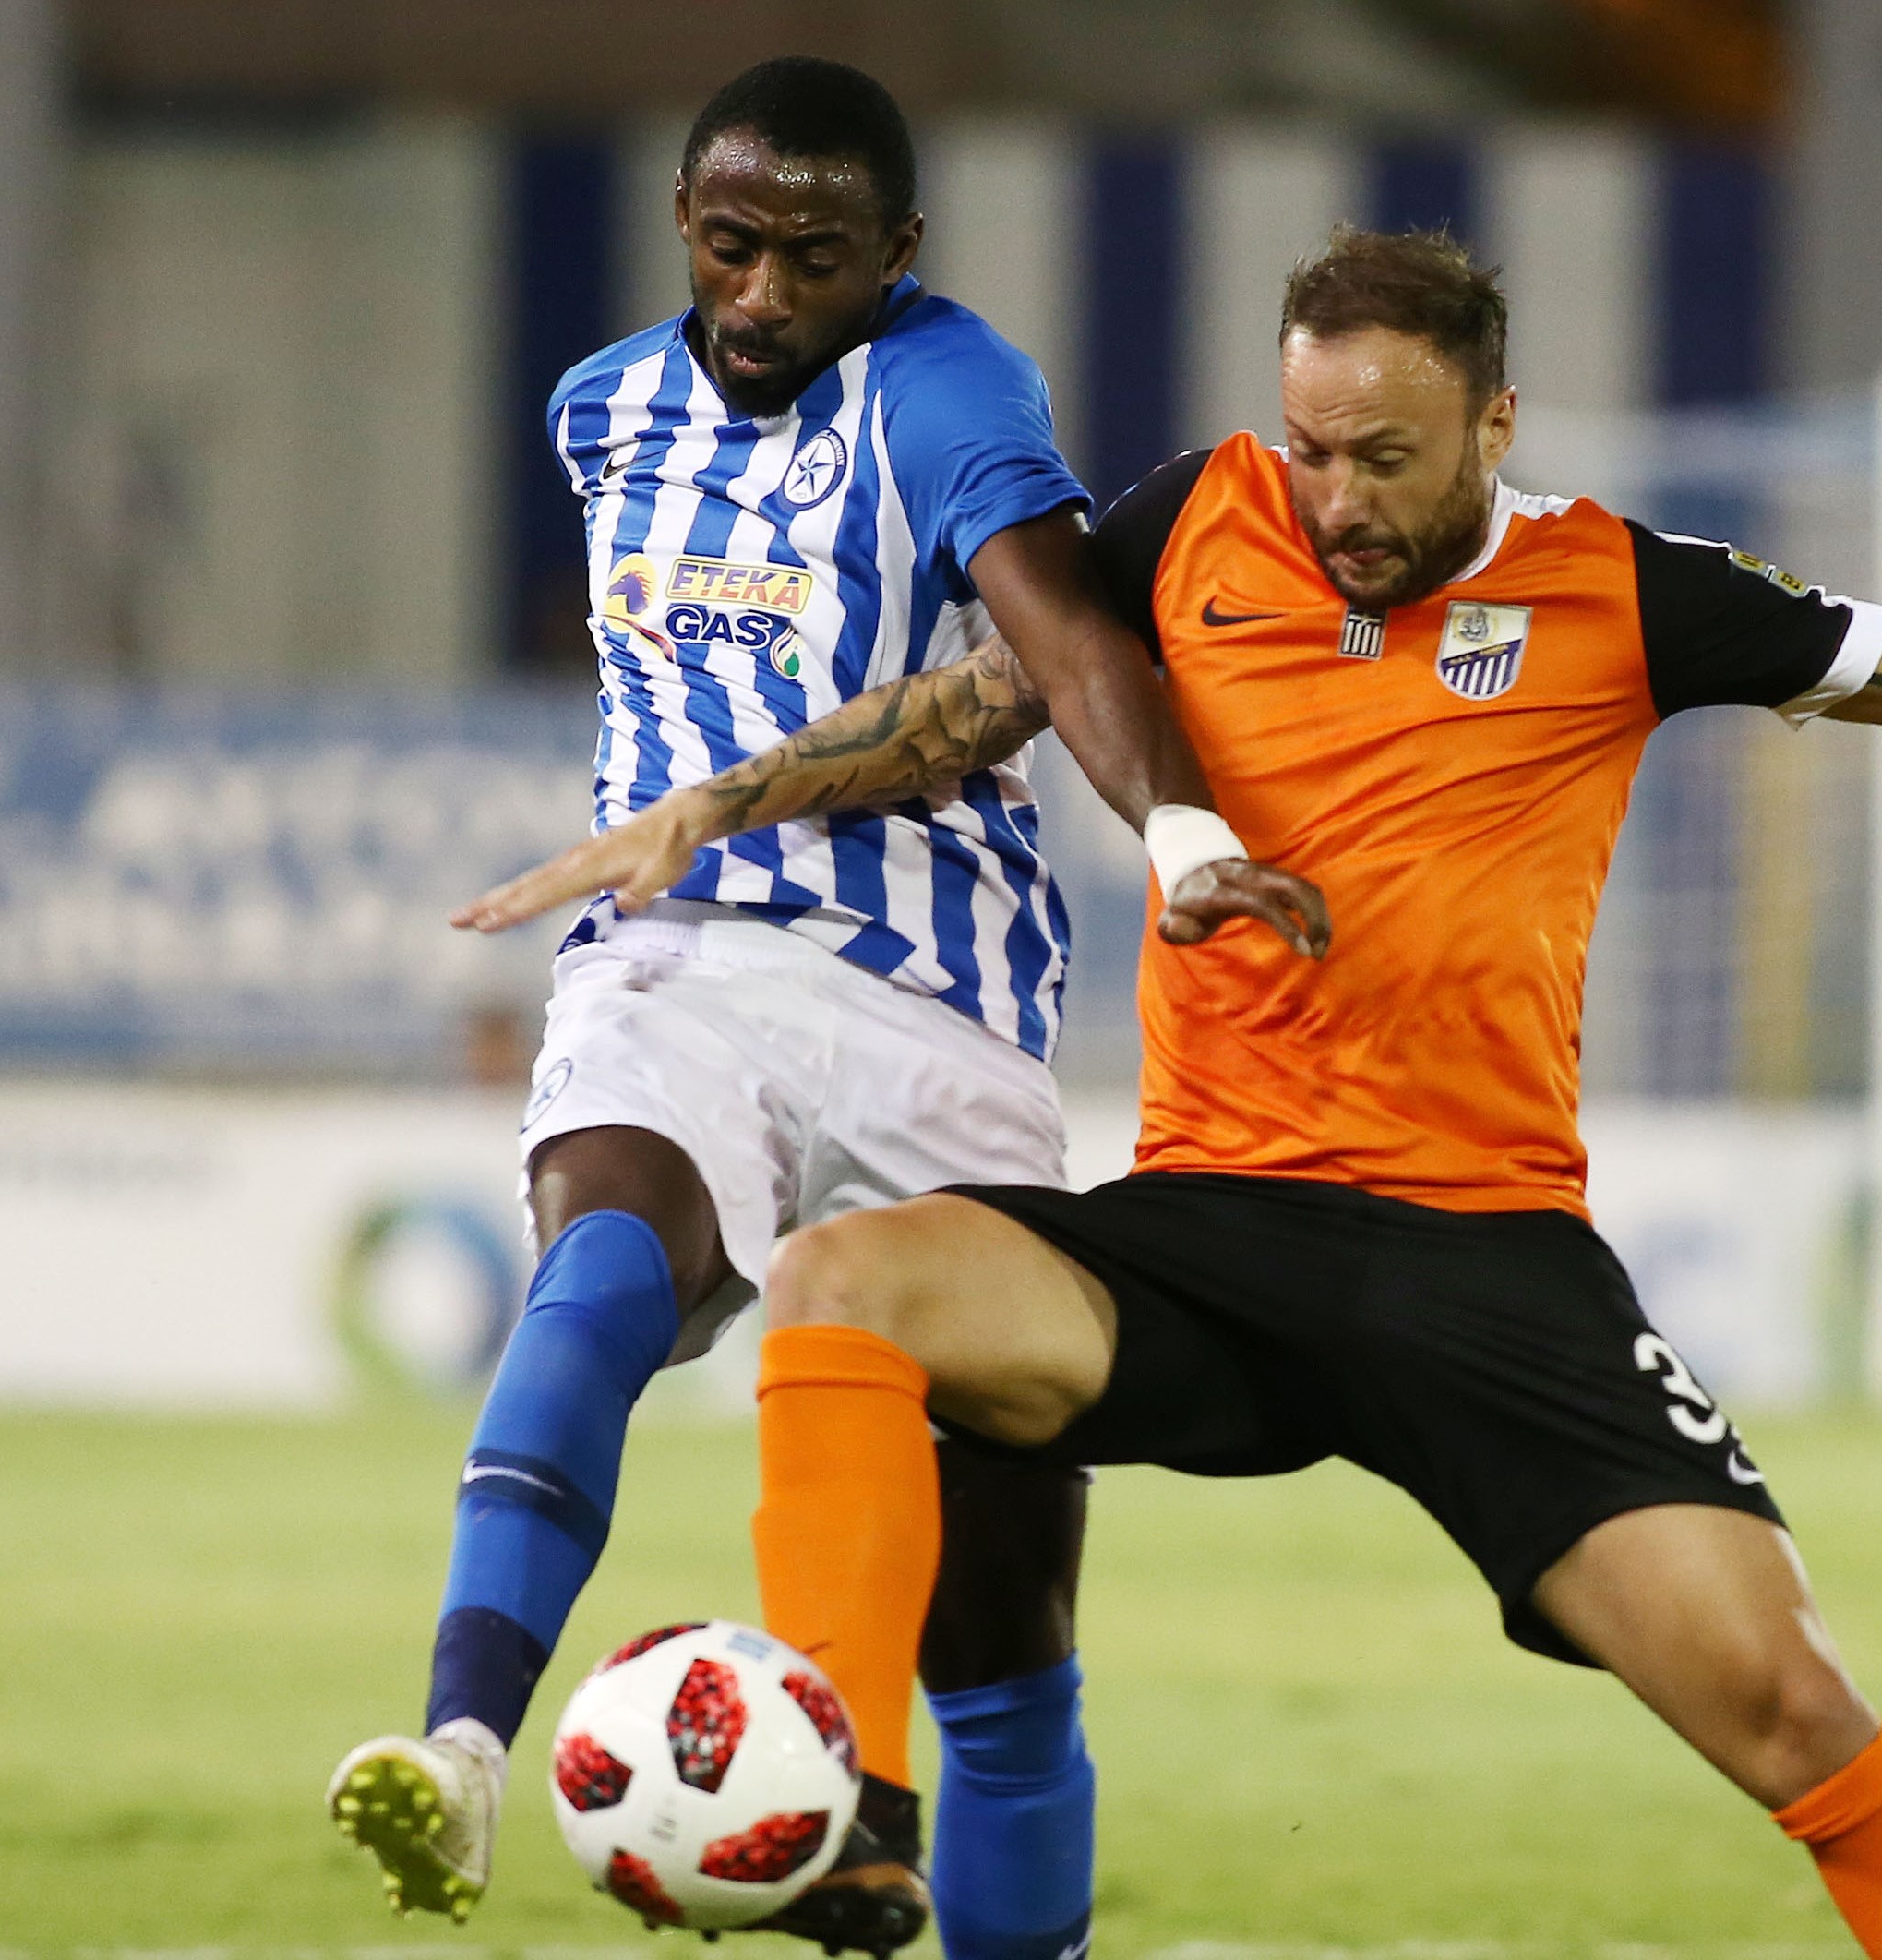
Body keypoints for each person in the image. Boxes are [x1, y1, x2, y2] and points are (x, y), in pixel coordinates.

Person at [721, 227, 1882, 1957]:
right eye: (1311, 447)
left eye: (1385, 457)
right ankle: (836, 1797)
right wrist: (701, 813)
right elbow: (976, 706)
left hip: (1485, 1263)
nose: (1336, 499)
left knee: (1792, 1711)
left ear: (1495, 425)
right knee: (844, 1279)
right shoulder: (1191, 521)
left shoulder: (1624, 591)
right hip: (1211, 1231)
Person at [323, 56, 1324, 1948]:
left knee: (1001, 1632)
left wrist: (1183, 834)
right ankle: (461, 1743)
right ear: (681, 223)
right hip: (679, 953)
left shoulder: (946, 390)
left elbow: (1063, 632)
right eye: (730, 246)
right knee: (600, 1263)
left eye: (816, 258)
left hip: (938, 1009)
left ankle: (899, 1861)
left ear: (898, 252)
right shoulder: (599, 412)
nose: (765, 293)